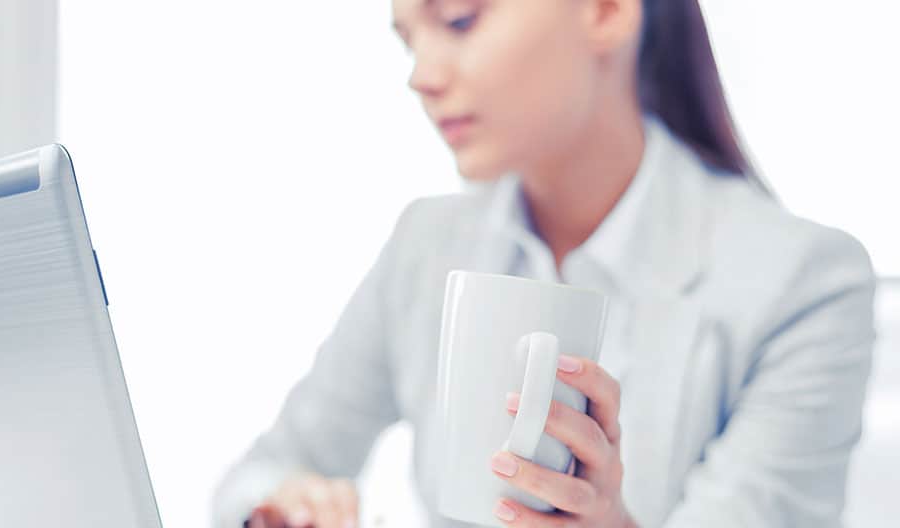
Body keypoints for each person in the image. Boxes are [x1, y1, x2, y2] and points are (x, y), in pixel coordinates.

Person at [212, 0, 877, 526]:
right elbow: (265, 471)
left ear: (606, 10)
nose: (420, 76)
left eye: (459, 20)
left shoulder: (807, 283)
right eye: (409, 40)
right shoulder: (426, 244)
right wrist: (283, 508)